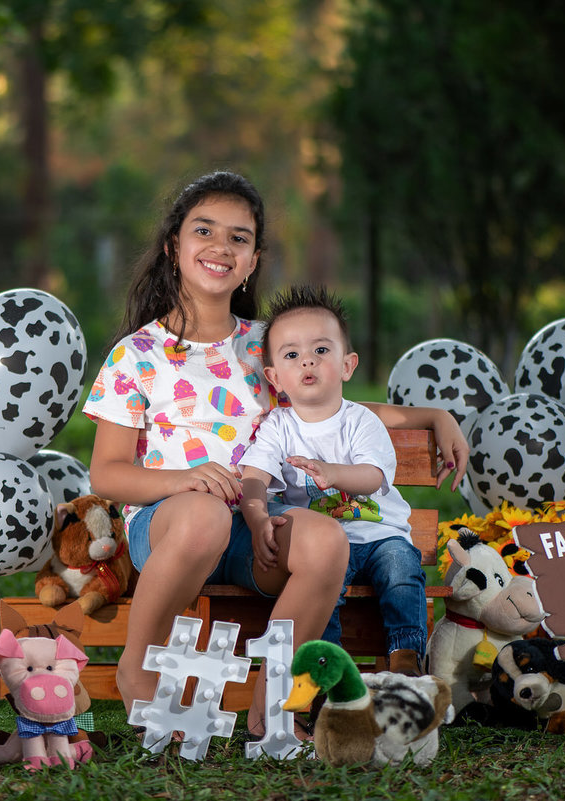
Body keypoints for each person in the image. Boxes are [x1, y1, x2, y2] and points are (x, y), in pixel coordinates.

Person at [84, 171, 468, 736]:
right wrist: (184, 479)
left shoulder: (268, 343)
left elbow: (337, 406)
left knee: (324, 537)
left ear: (254, 259)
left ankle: (275, 703)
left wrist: (434, 416)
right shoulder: (136, 353)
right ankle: (137, 669)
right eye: (204, 231)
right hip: (172, 531)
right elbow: (107, 473)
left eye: (239, 238)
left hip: (252, 532)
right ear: (174, 246)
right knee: (204, 512)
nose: (221, 247)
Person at [237, 285, 427, 677]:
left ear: (347, 365)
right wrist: (257, 519)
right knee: (324, 593)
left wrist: (332, 473)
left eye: (321, 351)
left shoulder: (360, 421)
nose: (307, 361)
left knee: (401, 570)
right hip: (325, 547)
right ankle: (331, 671)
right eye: (292, 355)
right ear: (274, 376)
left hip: (378, 534)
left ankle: (405, 658)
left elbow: (373, 476)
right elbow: (254, 477)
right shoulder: (278, 427)